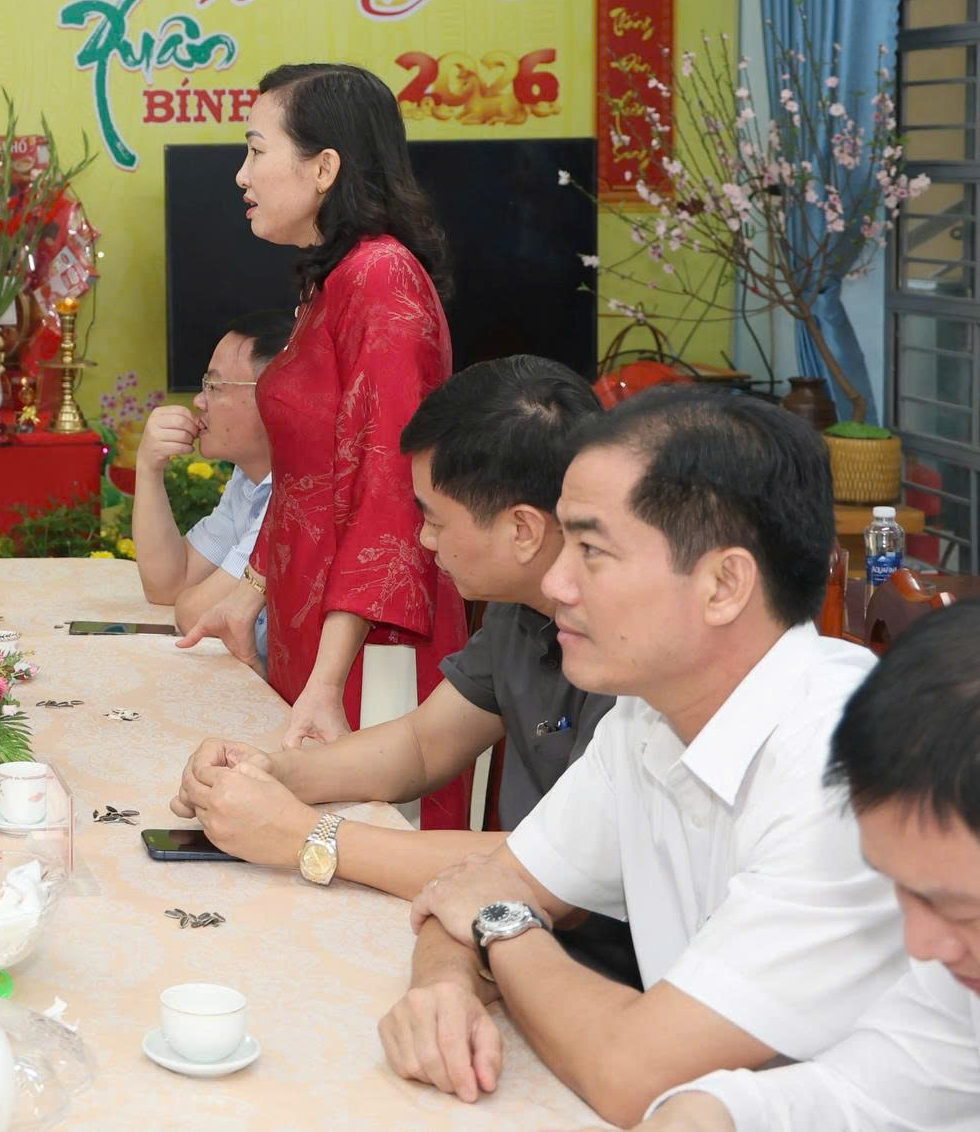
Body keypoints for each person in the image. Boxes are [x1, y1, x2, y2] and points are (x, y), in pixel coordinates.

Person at [383, 385, 905, 1125]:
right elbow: (482, 884)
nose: (556, 582)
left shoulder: (842, 768)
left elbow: (629, 1070)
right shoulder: (648, 715)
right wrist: (443, 986)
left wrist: (498, 926)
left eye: (591, 550)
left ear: (723, 584)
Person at [170, 355, 640, 981]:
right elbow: (423, 744)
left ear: (523, 530)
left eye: (434, 518)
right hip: (503, 941)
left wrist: (307, 835)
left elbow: (558, 868)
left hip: (598, 974)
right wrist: (273, 772)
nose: (423, 540)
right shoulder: (521, 608)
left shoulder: (633, 653)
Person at [624, 598, 980, 1131]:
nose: (921, 944)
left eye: (962, 909)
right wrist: (711, 1113)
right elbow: (860, 1094)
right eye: (903, 892)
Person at [179, 63, 472, 821]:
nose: (241, 174)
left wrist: (327, 679)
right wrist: (250, 593)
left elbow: (389, 490)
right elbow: (307, 479)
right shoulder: (331, 280)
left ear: (324, 166)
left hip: (373, 642)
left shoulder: (382, 278)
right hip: (315, 621)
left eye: (256, 150)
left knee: (354, 851)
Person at [130, 311, 294, 655]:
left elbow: (195, 614)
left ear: (273, 398)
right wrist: (148, 468)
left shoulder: (295, 490)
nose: (199, 401)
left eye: (214, 386)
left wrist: (192, 599)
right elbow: (168, 585)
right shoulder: (248, 478)